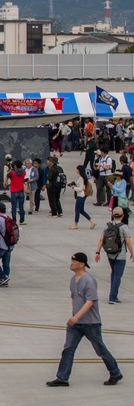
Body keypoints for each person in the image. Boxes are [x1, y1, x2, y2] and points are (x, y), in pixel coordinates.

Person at [47, 252, 123, 387]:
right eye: (71, 260)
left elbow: (90, 302)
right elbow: (74, 298)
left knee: (100, 349)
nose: (71, 263)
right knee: (68, 349)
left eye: (74, 261)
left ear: (82, 264)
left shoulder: (89, 280)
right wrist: (74, 316)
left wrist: (76, 316)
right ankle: (62, 378)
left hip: (91, 323)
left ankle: (115, 372)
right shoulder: (73, 279)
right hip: (76, 324)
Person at [95, 207, 134, 305]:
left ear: (112, 215)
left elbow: (101, 239)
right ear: (123, 215)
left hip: (110, 254)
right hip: (120, 255)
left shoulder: (107, 226)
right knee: (117, 275)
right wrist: (132, 253)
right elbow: (128, 242)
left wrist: (97, 252)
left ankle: (113, 295)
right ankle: (112, 297)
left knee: (113, 274)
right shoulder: (124, 227)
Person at [0, 202, 14, 287]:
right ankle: (6, 279)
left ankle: (3, 277)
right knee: (6, 263)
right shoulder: (9, 218)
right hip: (9, 245)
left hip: (1, 245)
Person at [69, 166, 96, 230]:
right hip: (82, 195)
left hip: (80, 195)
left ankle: (76, 224)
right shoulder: (83, 178)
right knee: (81, 210)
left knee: (77, 210)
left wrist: (74, 188)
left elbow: (81, 188)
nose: (76, 171)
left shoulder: (81, 178)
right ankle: (92, 221)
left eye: (77, 170)